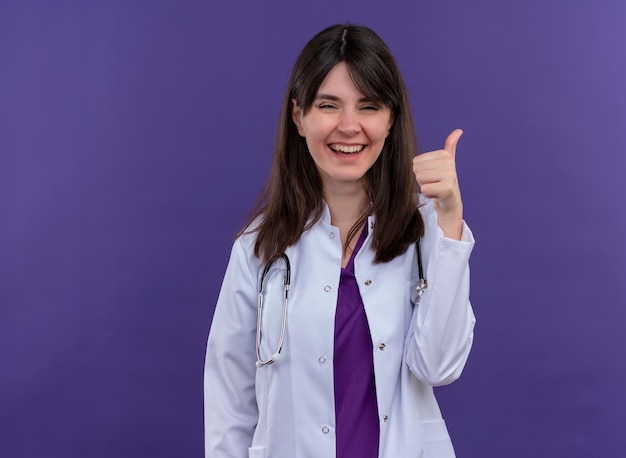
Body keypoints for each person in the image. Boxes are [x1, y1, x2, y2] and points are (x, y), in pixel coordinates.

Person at [204, 24, 476, 458]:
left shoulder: (425, 231)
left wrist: (450, 221)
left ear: (390, 120)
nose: (349, 127)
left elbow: (440, 367)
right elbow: (229, 405)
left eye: (368, 106)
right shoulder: (258, 250)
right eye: (328, 105)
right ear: (299, 116)